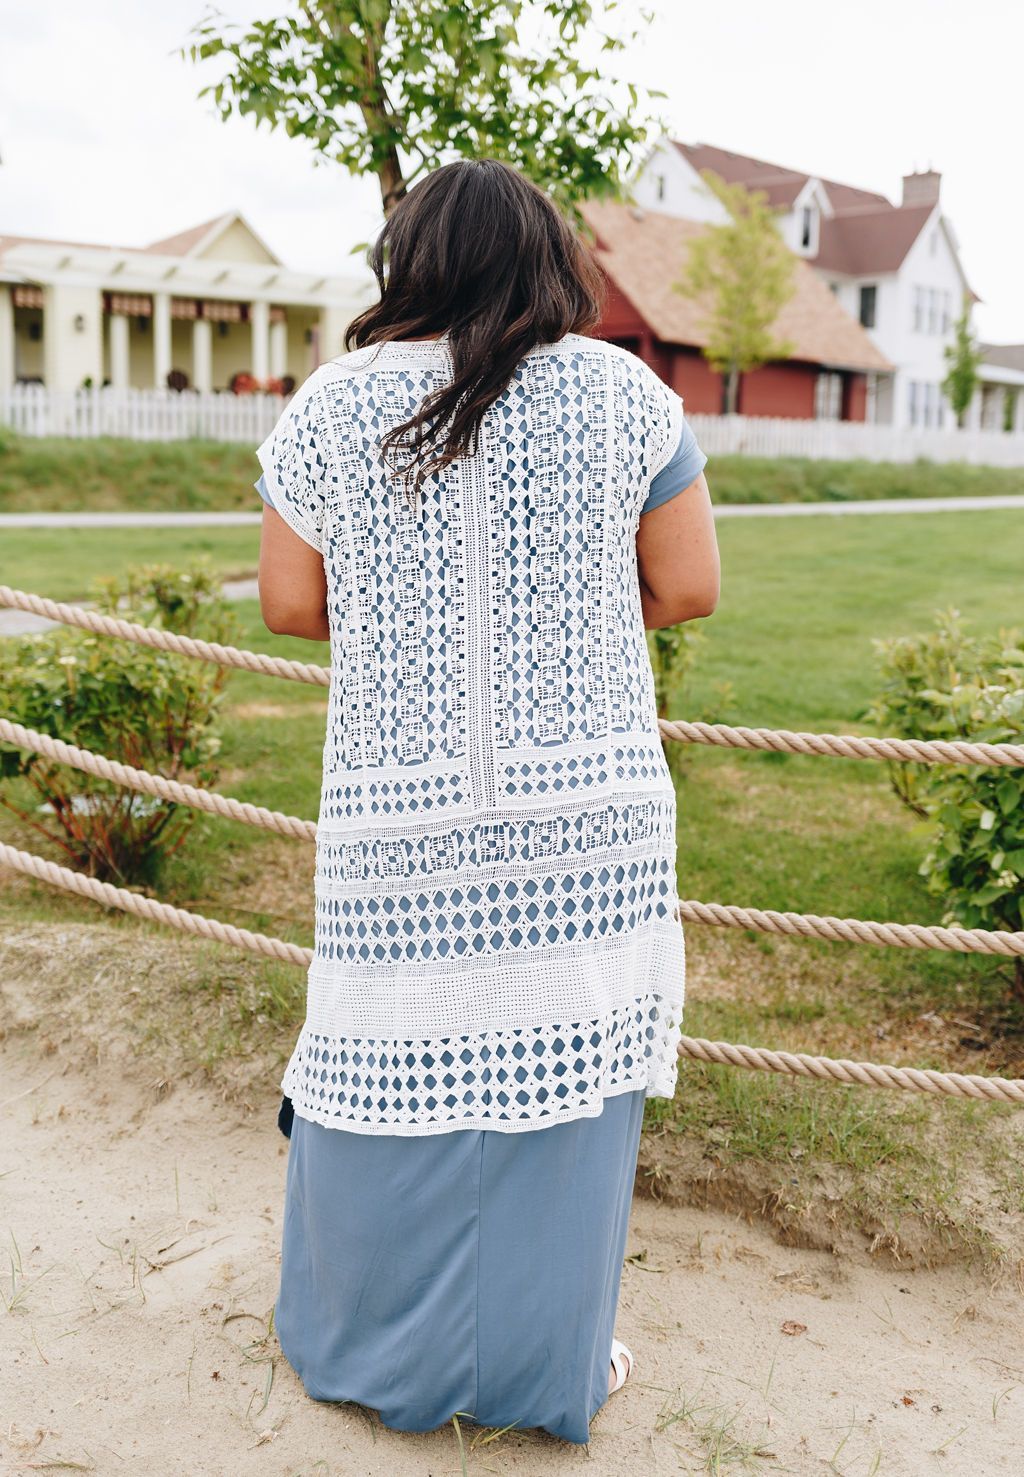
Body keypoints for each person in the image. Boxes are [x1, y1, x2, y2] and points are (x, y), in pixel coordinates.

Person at [254, 158, 719, 1446]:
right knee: (559, 1098)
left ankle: (365, 1346)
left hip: (399, 817)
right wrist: (546, 620)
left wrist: (420, 622)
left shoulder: (336, 402)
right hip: (589, 815)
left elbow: (291, 606)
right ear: (551, 262)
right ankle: (540, 1362)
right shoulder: (629, 395)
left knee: (384, 1067)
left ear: (405, 262)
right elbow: (686, 590)